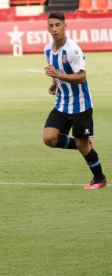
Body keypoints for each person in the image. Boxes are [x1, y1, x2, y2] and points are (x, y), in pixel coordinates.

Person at [43, 12, 106, 190]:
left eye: (58, 25)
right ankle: (84, 144)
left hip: (81, 105)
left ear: (65, 26)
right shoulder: (47, 49)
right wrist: (54, 83)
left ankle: (99, 178)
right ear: (47, 28)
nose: (54, 29)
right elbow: (55, 69)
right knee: (49, 138)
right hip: (62, 103)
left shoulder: (73, 49)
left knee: (81, 143)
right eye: (51, 26)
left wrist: (58, 75)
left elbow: (82, 77)